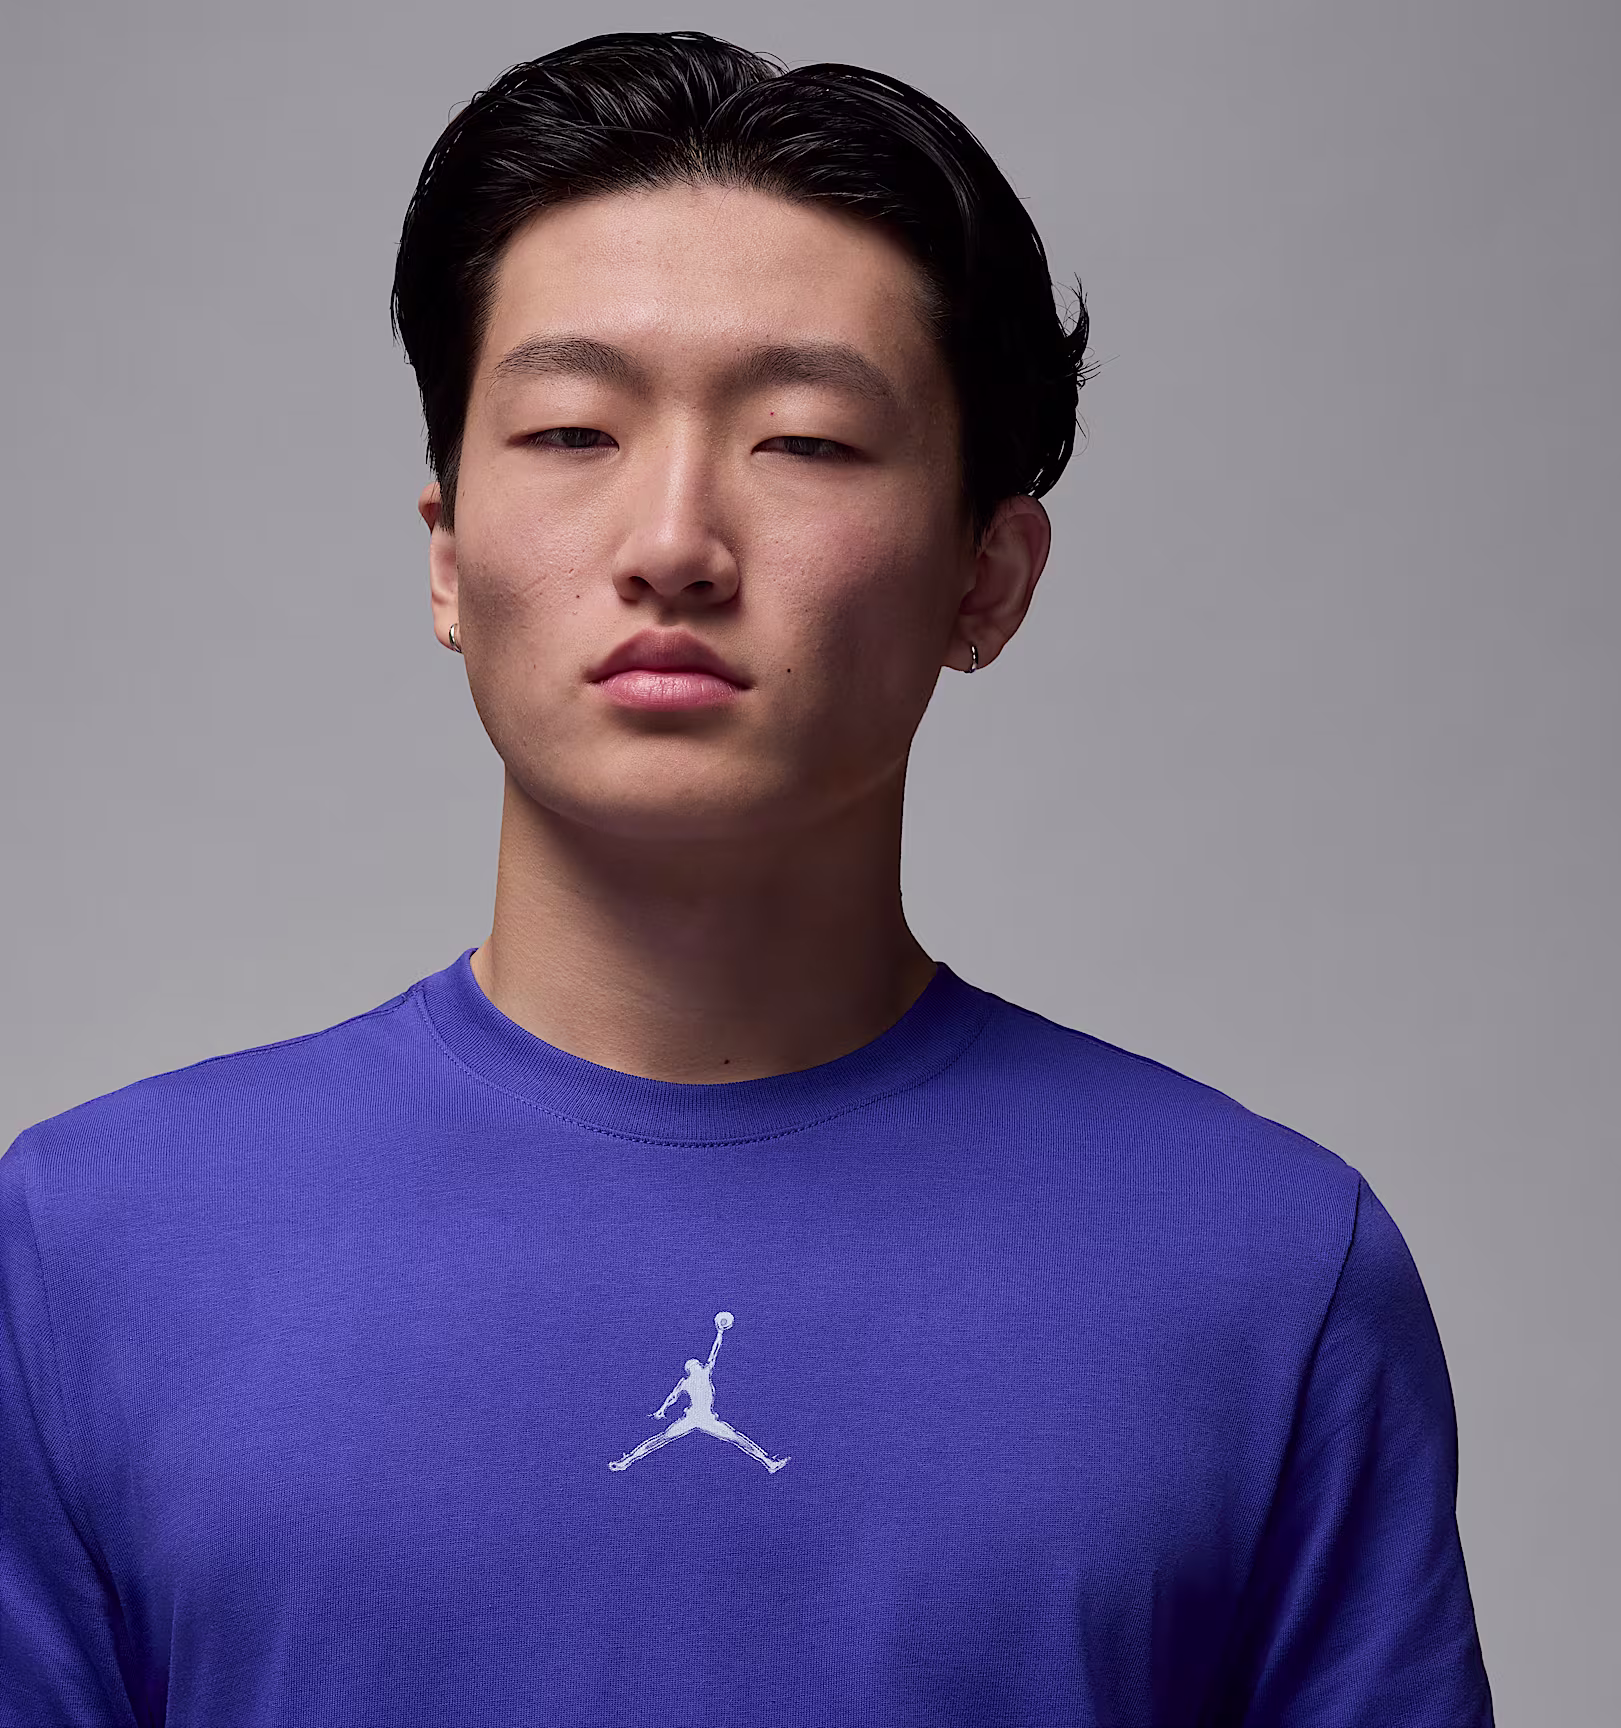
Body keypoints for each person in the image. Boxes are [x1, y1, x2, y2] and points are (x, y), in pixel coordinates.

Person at [0, 29, 1493, 1727]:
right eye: (573, 429)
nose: (672, 544)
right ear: (448, 557)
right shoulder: (90, 1249)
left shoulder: (1266, 1270)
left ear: (988, 580)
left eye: (806, 442)